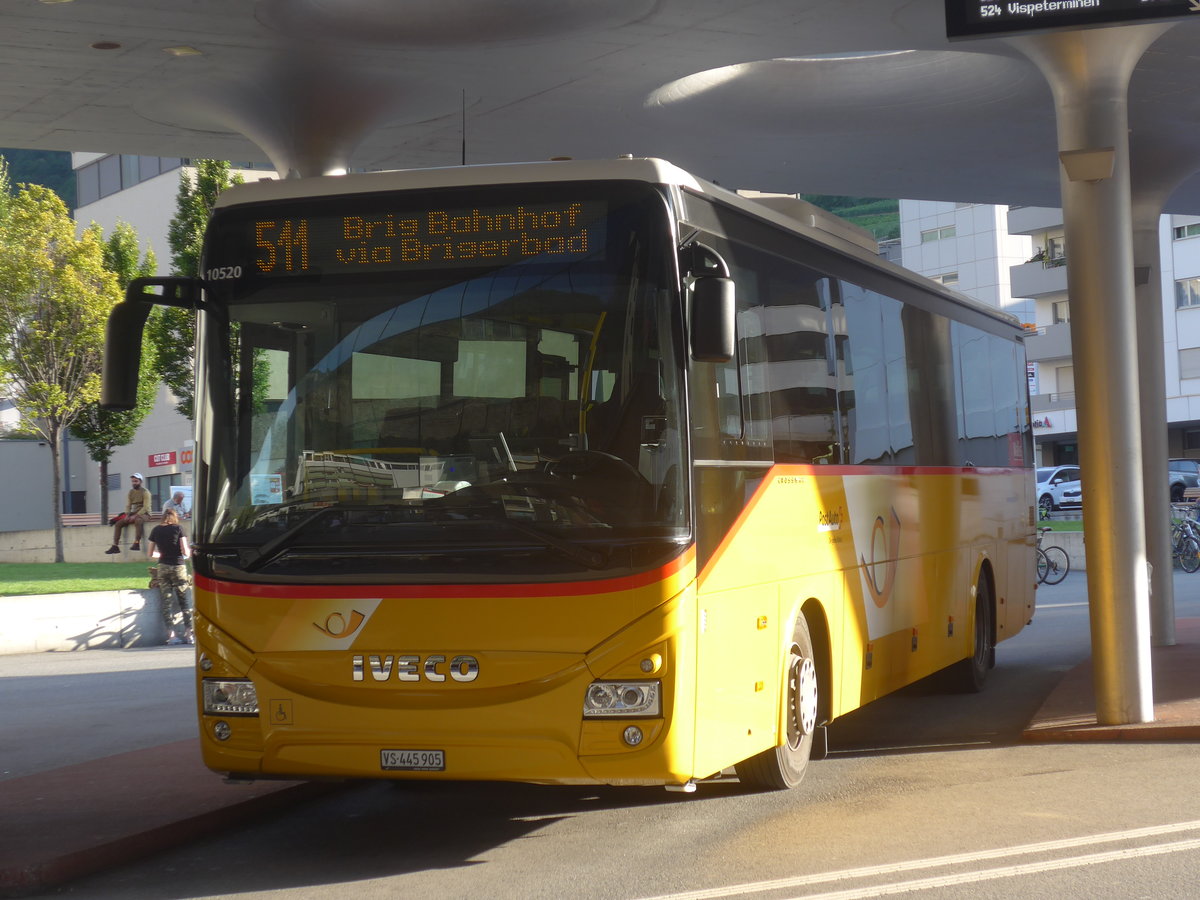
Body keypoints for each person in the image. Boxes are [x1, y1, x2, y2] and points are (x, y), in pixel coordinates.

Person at [147, 507, 193, 645]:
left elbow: (150, 553)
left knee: (166, 601)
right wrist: (189, 553)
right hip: (178, 566)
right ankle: (189, 634)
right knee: (184, 600)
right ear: (175, 517)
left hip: (163, 567)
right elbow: (185, 551)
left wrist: (162, 555)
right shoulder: (179, 529)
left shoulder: (156, 530)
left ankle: (171, 636)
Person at [106, 473, 153, 554]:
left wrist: (135, 516)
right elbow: (128, 505)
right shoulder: (130, 492)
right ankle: (115, 546)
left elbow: (146, 507)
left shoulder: (145, 492)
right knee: (118, 524)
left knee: (138, 521)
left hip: (145, 514)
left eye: (136, 481)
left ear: (140, 482)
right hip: (133, 513)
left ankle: (137, 543)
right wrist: (127, 515)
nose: (134, 483)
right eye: (133, 481)